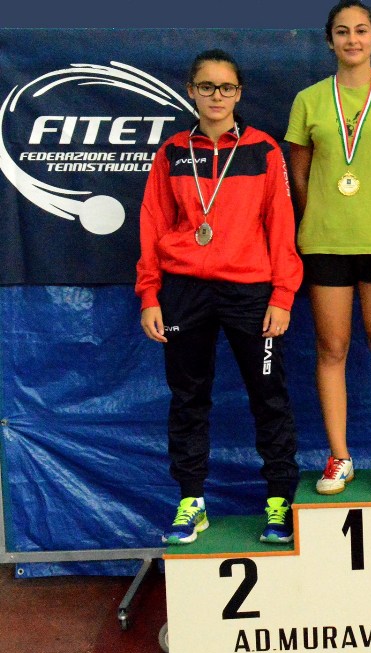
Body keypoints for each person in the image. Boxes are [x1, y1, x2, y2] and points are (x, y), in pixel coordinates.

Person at [136, 49, 303, 545]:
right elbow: (153, 224)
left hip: (250, 290)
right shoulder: (172, 153)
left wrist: (283, 295)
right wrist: (149, 294)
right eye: (206, 87)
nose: (216, 96)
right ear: (191, 91)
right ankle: (192, 500)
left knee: (268, 396)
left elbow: (281, 226)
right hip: (184, 289)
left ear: (239, 93)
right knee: (188, 397)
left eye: (226, 87)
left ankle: (279, 500)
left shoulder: (263, 150)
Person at [285, 0, 371, 495]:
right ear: (330, 41)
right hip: (326, 241)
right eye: (342, 31)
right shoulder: (308, 101)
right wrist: (326, 213)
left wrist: (369, 205)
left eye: (361, 31)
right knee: (332, 349)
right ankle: (339, 457)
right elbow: (300, 174)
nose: (352, 40)